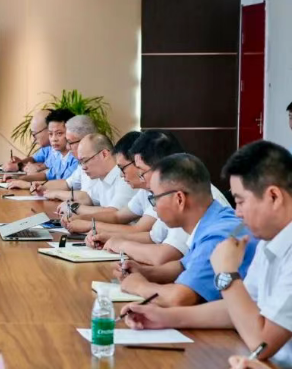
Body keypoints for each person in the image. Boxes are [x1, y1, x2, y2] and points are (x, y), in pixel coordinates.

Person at [124, 142, 292, 369]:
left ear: (273, 196)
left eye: (241, 201)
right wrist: (164, 317)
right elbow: (238, 309)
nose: (237, 212)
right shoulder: (269, 239)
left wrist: (227, 274)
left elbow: (262, 345)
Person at [113, 153, 255, 307]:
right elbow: (184, 266)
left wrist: (139, 286)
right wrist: (144, 272)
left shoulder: (218, 236)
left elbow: (179, 298)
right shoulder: (215, 218)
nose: (154, 206)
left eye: (154, 197)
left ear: (179, 199)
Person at [88, 130, 226, 266]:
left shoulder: (187, 195)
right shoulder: (165, 192)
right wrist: (110, 237)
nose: (141, 177)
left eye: (142, 171)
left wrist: (121, 245)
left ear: (161, 168)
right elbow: (154, 237)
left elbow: (164, 256)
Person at [62, 131, 156, 234]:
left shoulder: (159, 191)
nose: (121, 174)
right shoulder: (144, 191)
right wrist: (80, 218)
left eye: (122, 168)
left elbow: (138, 230)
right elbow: (117, 216)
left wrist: (91, 225)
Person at [55, 133, 135, 220]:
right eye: (81, 162)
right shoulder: (102, 177)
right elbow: (88, 198)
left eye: (85, 161)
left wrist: (74, 207)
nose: (83, 167)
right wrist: (57, 195)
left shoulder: (126, 177)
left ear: (104, 154)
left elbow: (113, 213)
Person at [22, 115, 98, 194]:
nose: (68, 147)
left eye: (59, 133)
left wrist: (55, 194)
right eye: (50, 134)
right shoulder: (80, 164)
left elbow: (85, 197)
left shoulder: (86, 161)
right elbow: (67, 184)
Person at [5, 109, 79, 189]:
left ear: (70, 132)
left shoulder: (76, 157)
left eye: (59, 133)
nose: (54, 139)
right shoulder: (59, 155)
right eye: (50, 134)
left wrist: (27, 184)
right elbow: (46, 175)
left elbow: (65, 184)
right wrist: (17, 179)